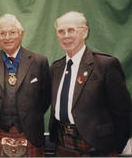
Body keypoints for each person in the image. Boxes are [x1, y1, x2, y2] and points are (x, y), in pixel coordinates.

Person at [49, 11, 131, 156]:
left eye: (71, 30)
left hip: (97, 147)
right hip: (63, 144)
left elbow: (123, 112)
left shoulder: (105, 65)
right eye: (61, 31)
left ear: (85, 32)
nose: (66, 35)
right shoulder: (56, 68)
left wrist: (114, 149)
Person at [0, 13, 51, 157]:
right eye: (2, 33)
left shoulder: (39, 61)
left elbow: (45, 98)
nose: (7, 37)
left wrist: (28, 115)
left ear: (21, 33)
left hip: (29, 133)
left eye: (12, 32)